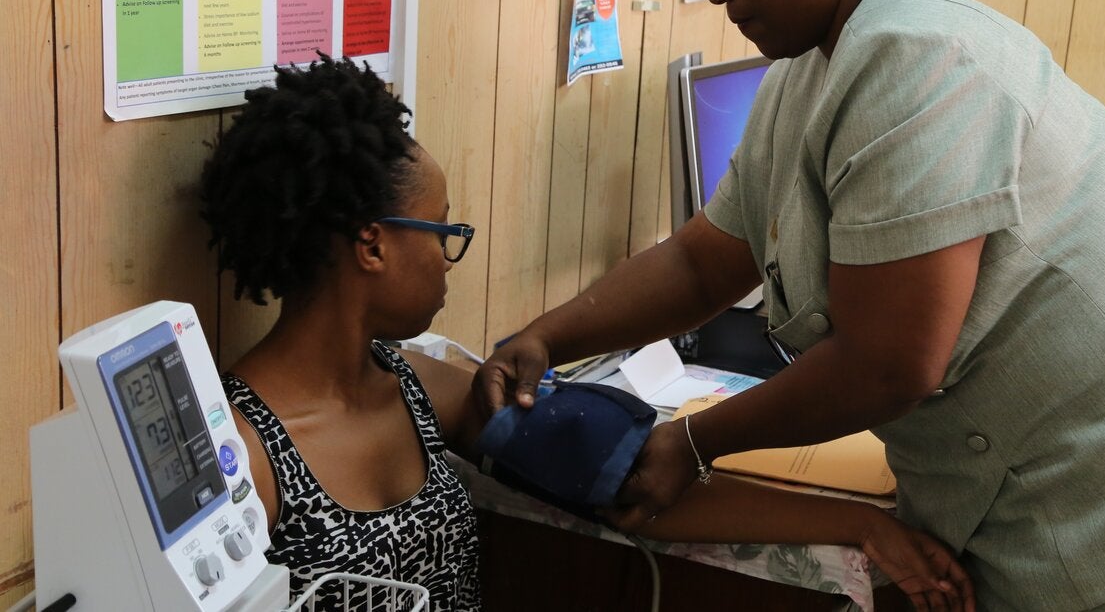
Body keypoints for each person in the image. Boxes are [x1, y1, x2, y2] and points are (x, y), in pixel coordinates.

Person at [475, 0, 1105, 610]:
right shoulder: (810, 71)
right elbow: (704, 262)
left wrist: (692, 445)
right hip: (1046, 462)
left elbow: (889, 364)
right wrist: (546, 338)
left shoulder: (921, 57)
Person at [199, 54, 975, 612]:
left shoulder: (419, 387)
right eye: (439, 231)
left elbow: (634, 481)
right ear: (371, 245)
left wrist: (863, 525)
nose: (448, 258)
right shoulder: (241, 454)